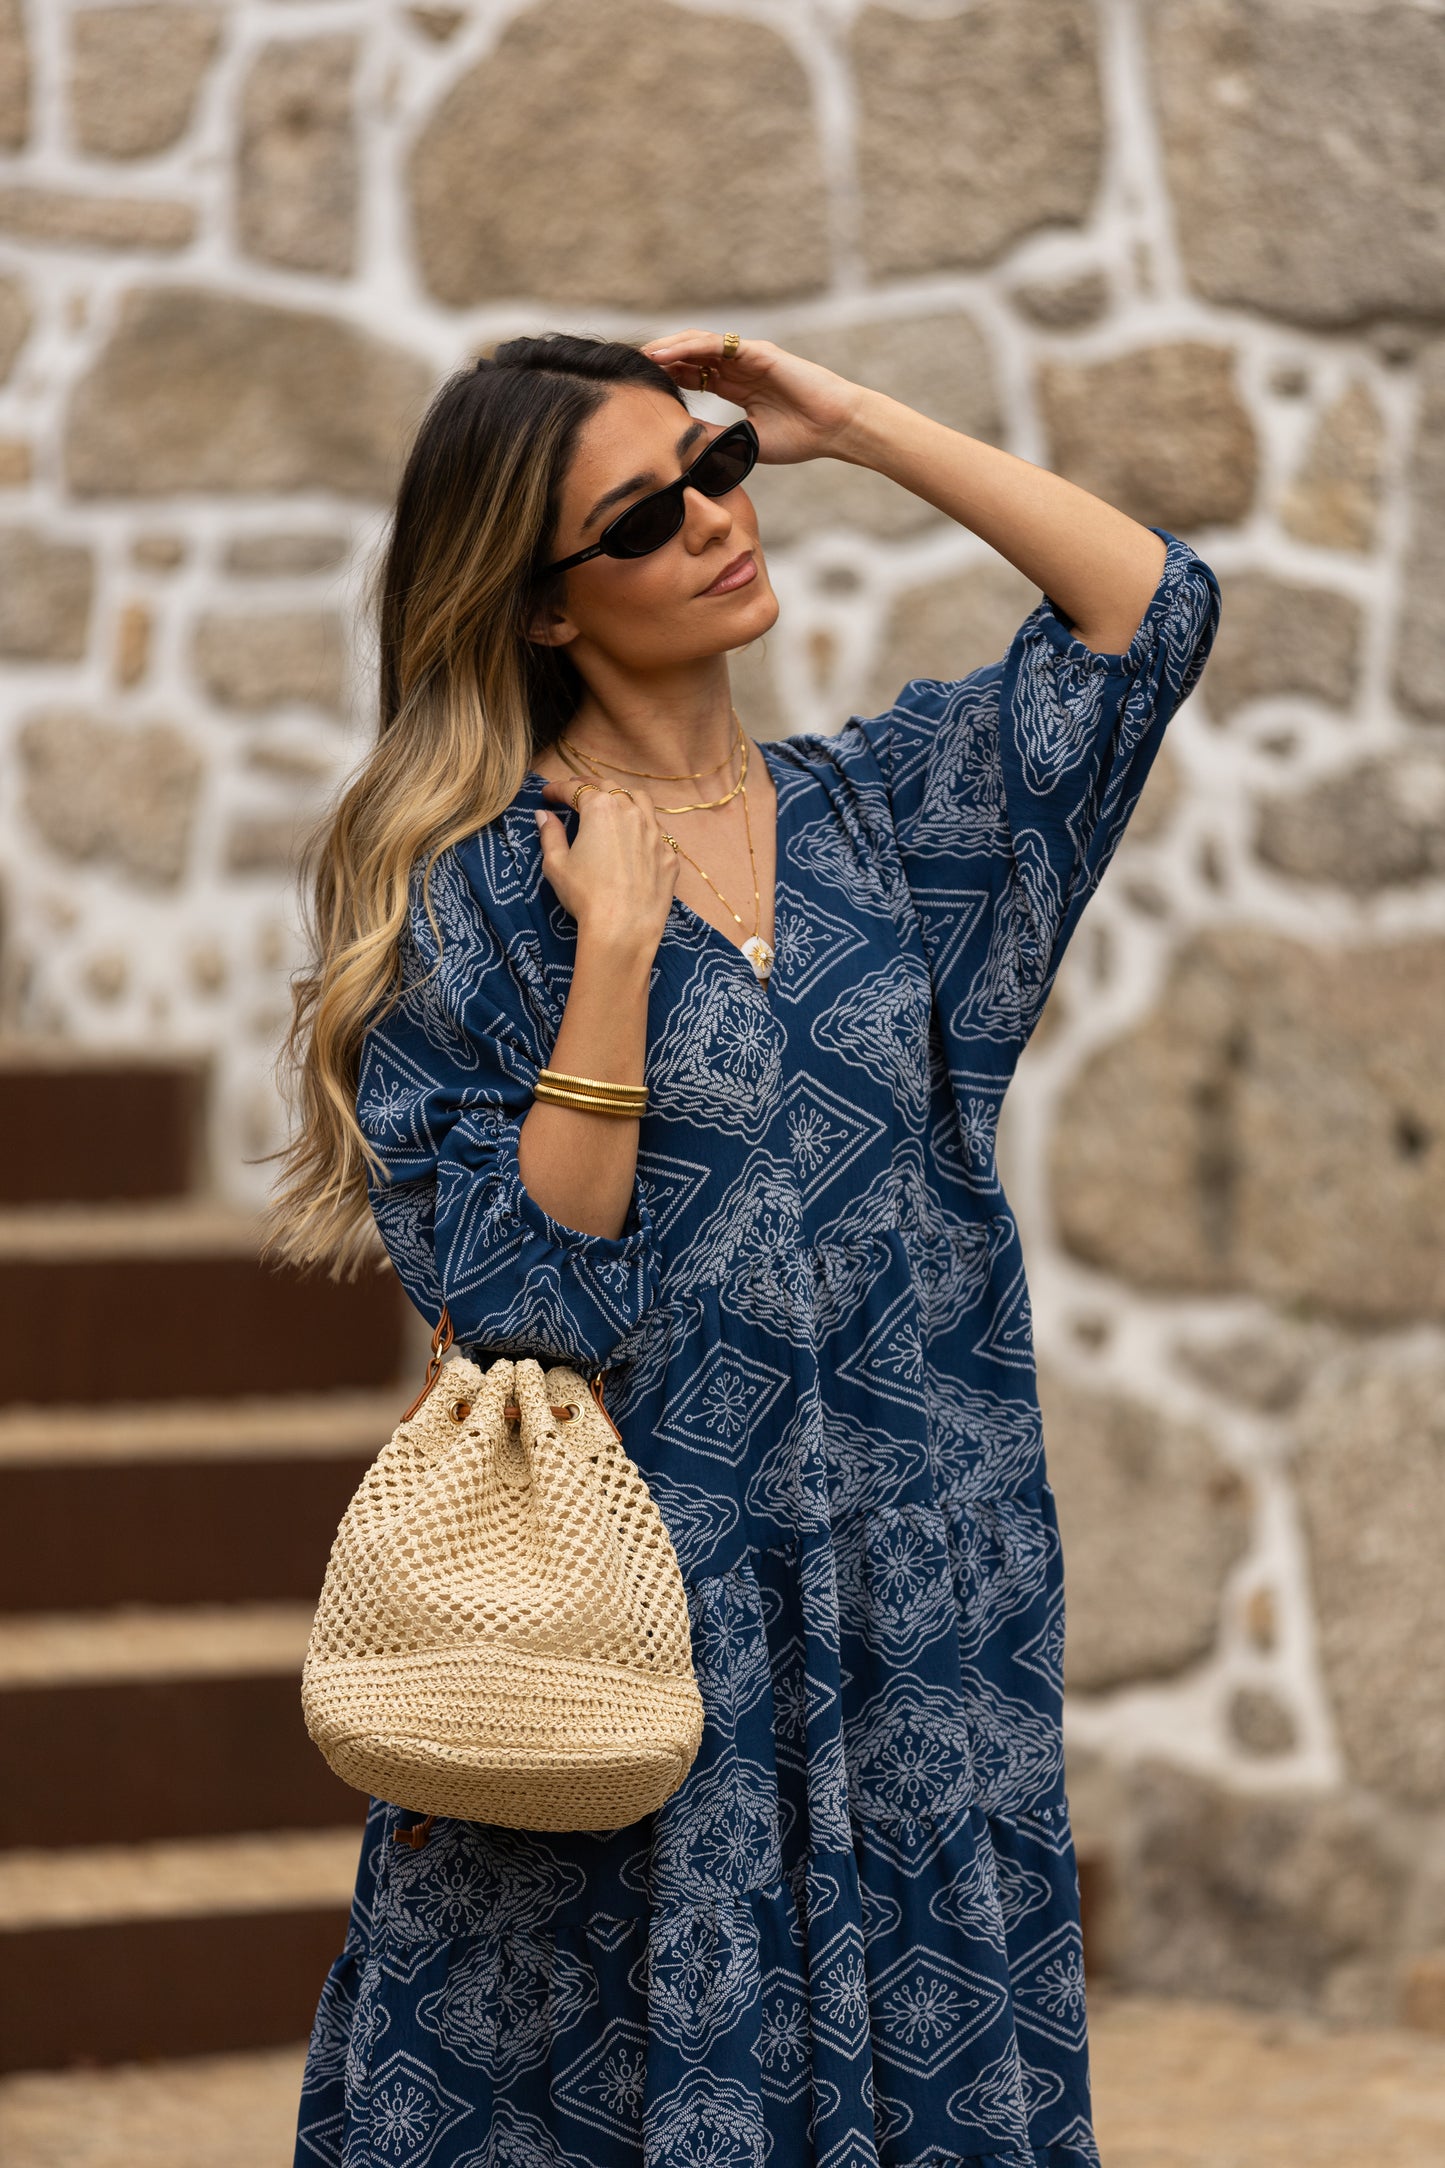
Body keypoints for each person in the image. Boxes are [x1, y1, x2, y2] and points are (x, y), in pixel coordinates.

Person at [270, 327, 1220, 2168]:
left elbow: (1147, 616)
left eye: (712, 469)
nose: (714, 519)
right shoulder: (477, 893)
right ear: (541, 607)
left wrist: (848, 425)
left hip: (915, 1621)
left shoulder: (887, 819)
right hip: (635, 1641)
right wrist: (615, 964)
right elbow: (525, 1304)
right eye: (643, 517)